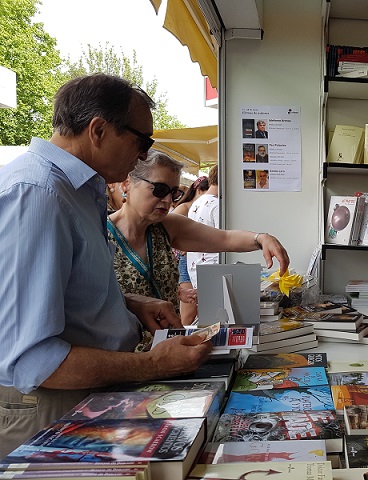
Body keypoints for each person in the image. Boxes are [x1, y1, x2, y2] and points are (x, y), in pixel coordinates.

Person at [0, 74, 214, 457]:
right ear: (98, 130)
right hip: (48, 404)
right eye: (142, 141)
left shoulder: (76, 190)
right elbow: (34, 359)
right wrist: (153, 366)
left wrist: (128, 301)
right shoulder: (38, 194)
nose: (145, 155)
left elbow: (64, 289)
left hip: (78, 395)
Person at [109, 153, 290, 337]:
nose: (168, 200)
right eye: (159, 189)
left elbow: (224, 239)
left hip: (169, 348)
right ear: (127, 184)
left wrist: (261, 238)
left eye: (173, 192)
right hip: (124, 356)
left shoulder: (165, 227)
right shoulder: (99, 234)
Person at [172, 176, 209, 325]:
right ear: (198, 190)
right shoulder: (184, 208)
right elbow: (170, 233)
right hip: (185, 260)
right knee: (188, 310)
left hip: (196, 258)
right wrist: (183, 247)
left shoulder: (198, 207)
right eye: (205, 193)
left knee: (197, 306)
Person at [187, 165, 220, 289]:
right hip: (213, 268)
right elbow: (223, 239)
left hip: (197, 268)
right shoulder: (217, 205)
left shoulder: (197, 203)